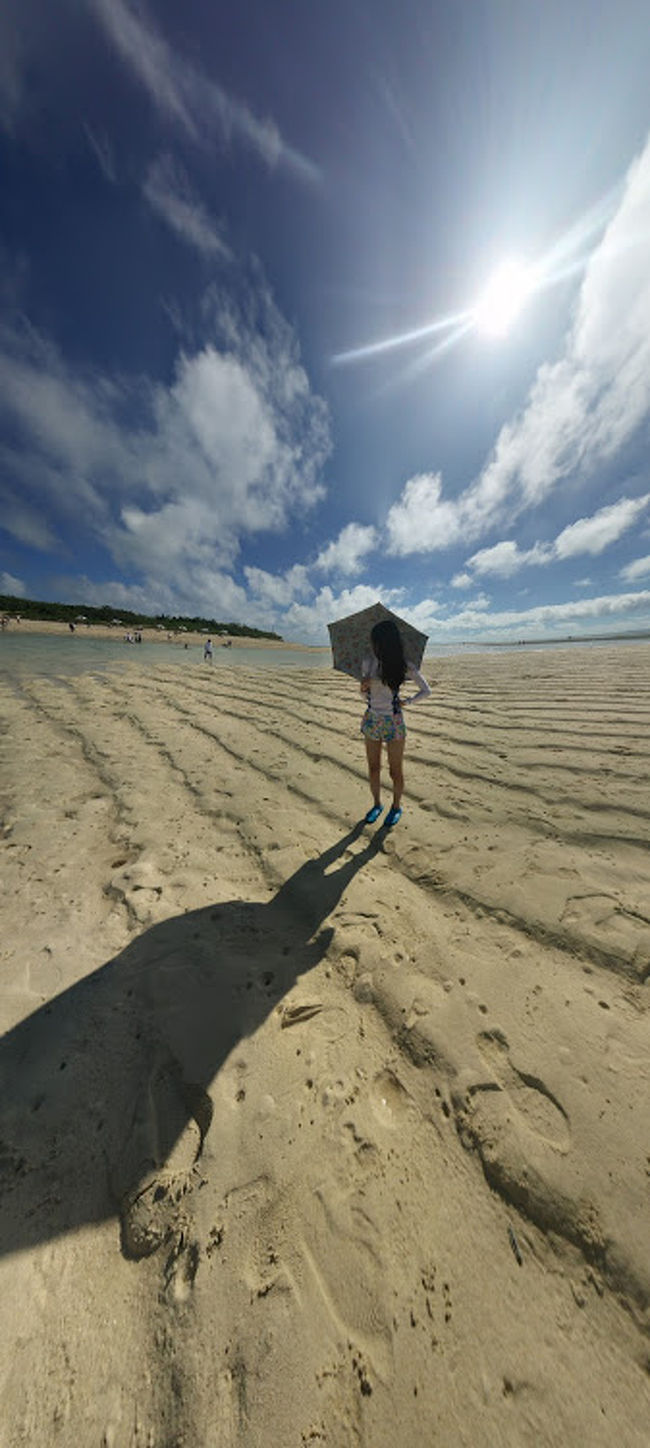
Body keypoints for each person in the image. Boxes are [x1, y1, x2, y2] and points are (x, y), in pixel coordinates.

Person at [360, 619, 431, 828]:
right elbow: (365, 697)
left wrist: (407, 701)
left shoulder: (404, 664)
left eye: (374, 640)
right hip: (372, 719)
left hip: (394, 722)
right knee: (374, 768)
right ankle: (377, 804)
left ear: (383, 642)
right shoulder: (368, 662)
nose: (372, 644)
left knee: (395, 771)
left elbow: (426, 690)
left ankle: (396, 806)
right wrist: (363, 688)